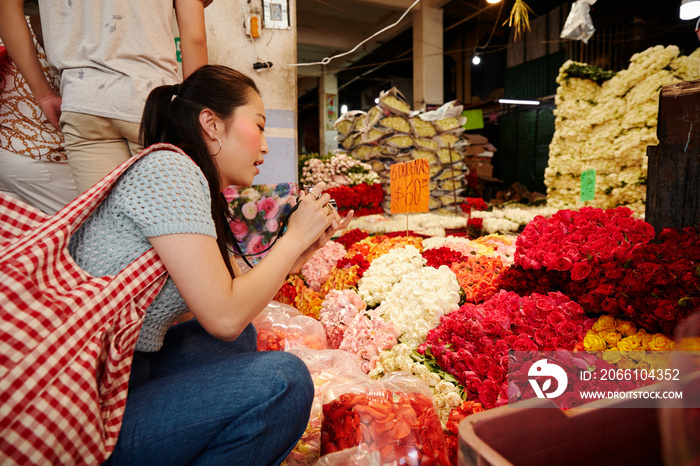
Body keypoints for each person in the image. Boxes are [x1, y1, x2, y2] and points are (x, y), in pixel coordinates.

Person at [64, 64, 354, 465]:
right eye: (260, 125)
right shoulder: (171, 170)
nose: (266, 146)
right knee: (285, 381)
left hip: (123, 374)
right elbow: (225, 314)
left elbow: (230, 289)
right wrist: (293, 238)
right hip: (85, 411)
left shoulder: (187, 175)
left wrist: (300, 251)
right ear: (211, 123)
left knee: (239, 341)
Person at [0, 0, 209, 193]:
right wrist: (193, 113)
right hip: (151, 102)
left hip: (82, 102)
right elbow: (195, 38)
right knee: (168, 220)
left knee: (106, 228)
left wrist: (43, 94)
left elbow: (5, 7)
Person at [0, 13, 78, 215]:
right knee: (97, 232)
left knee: (27, 243)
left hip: (11, 153)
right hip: (44, 158)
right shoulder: (56, 23)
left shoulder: (14, 28)